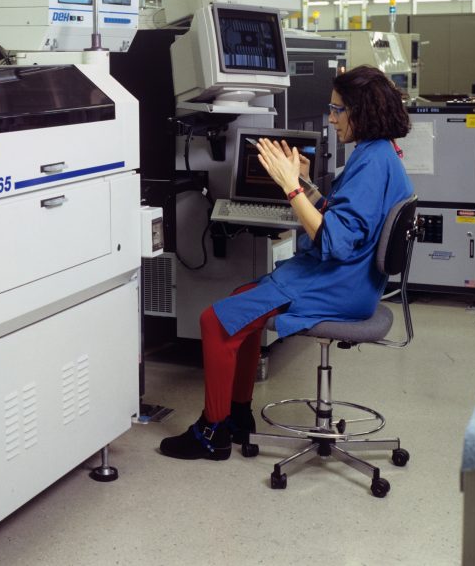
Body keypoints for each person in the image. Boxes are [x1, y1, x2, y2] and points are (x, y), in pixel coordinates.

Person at [159, 65, 413, 461]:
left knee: (214, 320)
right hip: (352, 281)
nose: (331, 118)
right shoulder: (378, 154)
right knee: (243, 301)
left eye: (337, 109)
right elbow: (344, 221)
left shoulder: (371, 163)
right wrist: (309, 186)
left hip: (340, 285)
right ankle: (238, 416)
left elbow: (335, 241)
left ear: (361, 112)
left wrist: (290, 185)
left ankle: (212, 432)